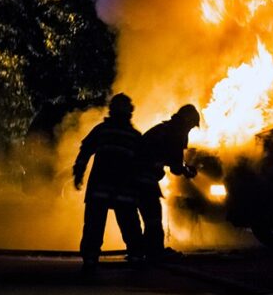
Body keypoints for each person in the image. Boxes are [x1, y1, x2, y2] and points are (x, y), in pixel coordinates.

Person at [73, 93, 144, 272]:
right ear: (130, 113)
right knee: (129, 223)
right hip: (124, 190)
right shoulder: (135, 136)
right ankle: (136, 255)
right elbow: (142, 163)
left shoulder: (102, 130)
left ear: (111, 111)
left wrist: (79, 173)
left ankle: (90, 257)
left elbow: (85, 151)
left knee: (94, 224)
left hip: (100, 188)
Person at [137, 104, 199, 260]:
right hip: (144, 176)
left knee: (148, 214)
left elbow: (172, 161)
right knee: (153, 215)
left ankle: (144, 250)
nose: (190, 129)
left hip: (138, 175)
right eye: (191, 126)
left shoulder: (167, 128)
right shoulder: (177, 132)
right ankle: (154, 252)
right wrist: (187, 171)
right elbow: (176, 168)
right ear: (187, 120)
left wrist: (182, 167)